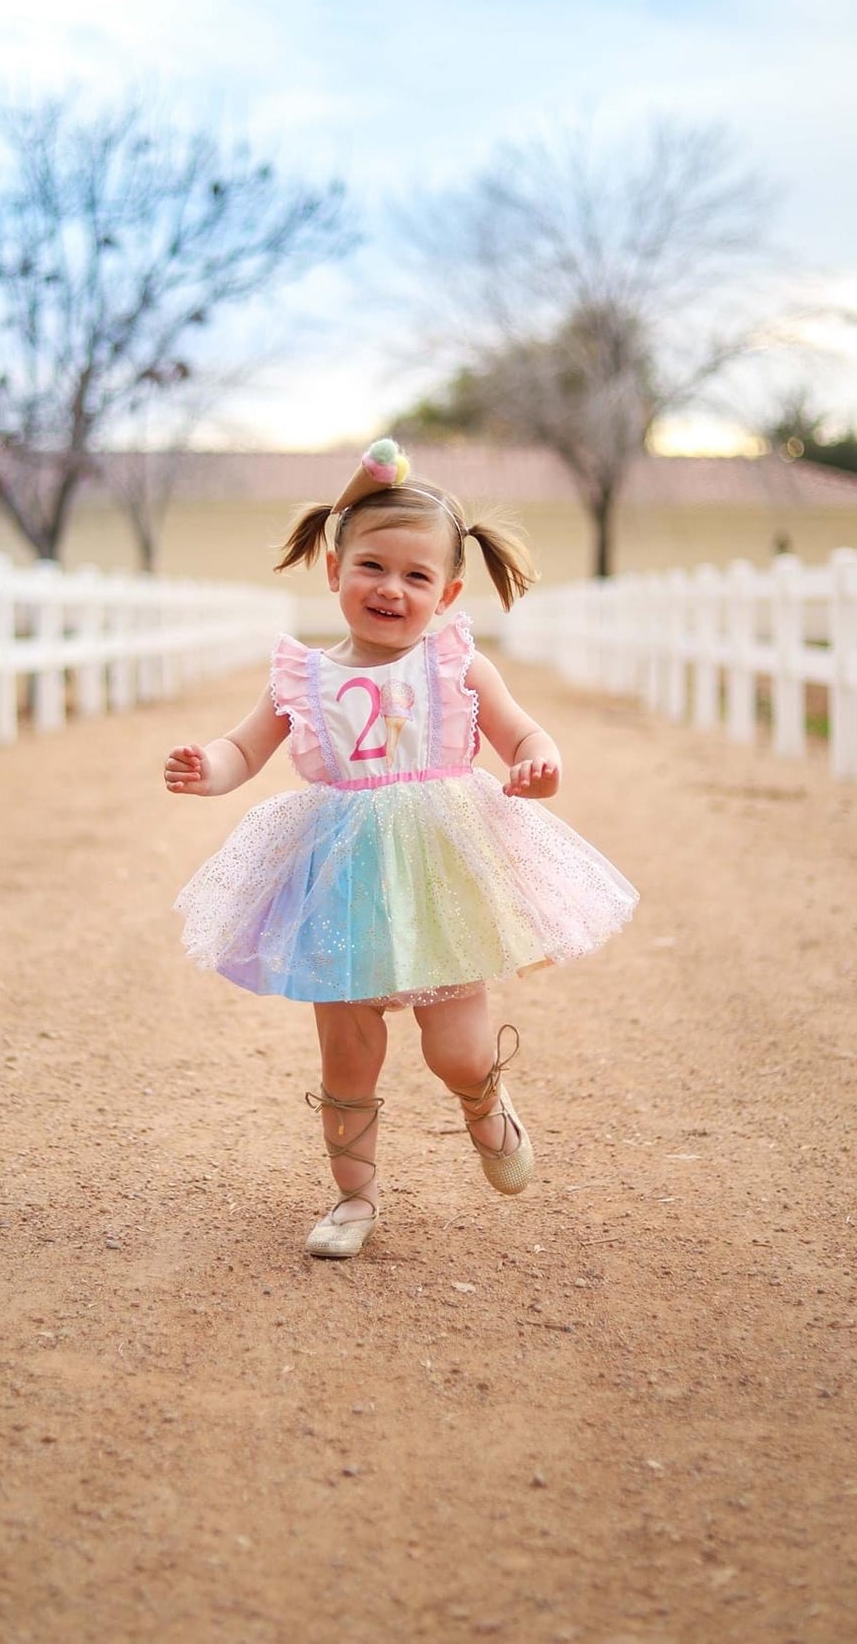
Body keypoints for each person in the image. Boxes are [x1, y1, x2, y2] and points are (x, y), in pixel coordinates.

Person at [164, 439, 638, 1258]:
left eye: (416, 577)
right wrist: (207, 767)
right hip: (339, 880)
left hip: (439, 875)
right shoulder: (300, 677)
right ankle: (353, 1199)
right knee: (348, 1056)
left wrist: (539, 761)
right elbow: (244, 750)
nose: (391, 588)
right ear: (334, 570)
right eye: (371, 566)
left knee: (454, 1048)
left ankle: (484, 1102)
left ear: (448, 592)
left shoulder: (455, 664)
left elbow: (520, 730)